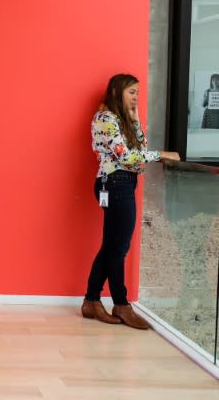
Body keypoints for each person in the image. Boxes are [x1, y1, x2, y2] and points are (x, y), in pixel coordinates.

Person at [82, 73, 180, 329]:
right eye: (131, 92)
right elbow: (126, 157)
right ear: (116, 92)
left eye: (137, 92)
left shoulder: (121, 119)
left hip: (122, 184)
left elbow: (139, 146)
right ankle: (121, 304)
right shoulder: (105, 118)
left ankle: (92, 301)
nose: (136, 96)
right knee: (118, 248)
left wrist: (136, 121)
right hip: (114, 183)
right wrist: (162, 154)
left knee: (112, 246)